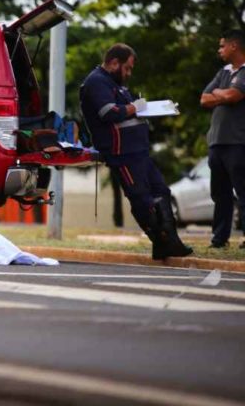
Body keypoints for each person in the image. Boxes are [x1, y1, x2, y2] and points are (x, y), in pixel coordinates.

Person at [79, 43, 193, 260]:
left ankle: (168, 242)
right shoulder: (96, 82)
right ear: (114, 63)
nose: (129, 73)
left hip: (138, 151)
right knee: (141, 199)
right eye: (127, 68)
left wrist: (141, 109)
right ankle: (162, 242)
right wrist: (136, 107)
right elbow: (108, 112)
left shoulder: (116, 84)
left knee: (162, 191)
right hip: (121, 153)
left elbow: (127, 111)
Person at [200, 29, 245, 249]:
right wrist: (222, 94)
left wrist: (220, 93)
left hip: (238, 142)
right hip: (216, 142)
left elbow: (232, 95)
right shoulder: (223, 72)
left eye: (222, 46)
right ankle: (220, 239)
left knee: (243, 191)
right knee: (220, 193)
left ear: (234, 46)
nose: (219, 50)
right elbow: (203, 99)